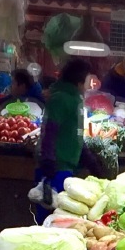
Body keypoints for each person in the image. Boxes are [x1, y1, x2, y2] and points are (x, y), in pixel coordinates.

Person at [36, 58, 93, 214]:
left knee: (60, 215)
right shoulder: (61, 98)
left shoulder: (75, 99)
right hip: (55, 168)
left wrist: (87, 157)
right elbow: (50, 131)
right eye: (88, 78)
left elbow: (74, 133)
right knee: (49, 215)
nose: (90, 83)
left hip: (67, 167)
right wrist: (48, 159)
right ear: (79, 80)